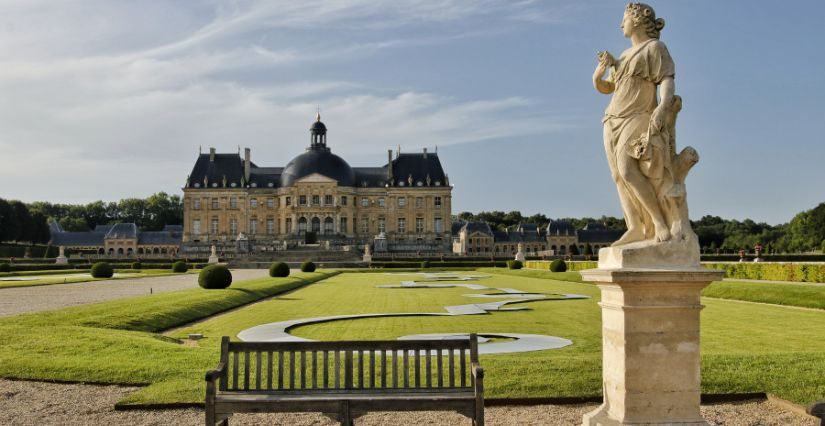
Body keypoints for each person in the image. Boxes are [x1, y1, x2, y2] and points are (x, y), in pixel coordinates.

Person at [593, 3, 675, 246]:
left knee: (628, 169)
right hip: (612, 119)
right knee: (618, 175)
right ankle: (636, 227)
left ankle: (658, 221)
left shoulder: (655, 48)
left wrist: (663, 106)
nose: (621, 24)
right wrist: (600, 73)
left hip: (638, 115)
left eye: (624, 19)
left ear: (637, 21)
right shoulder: (623, 56)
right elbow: (608, 88)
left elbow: (666, 80)